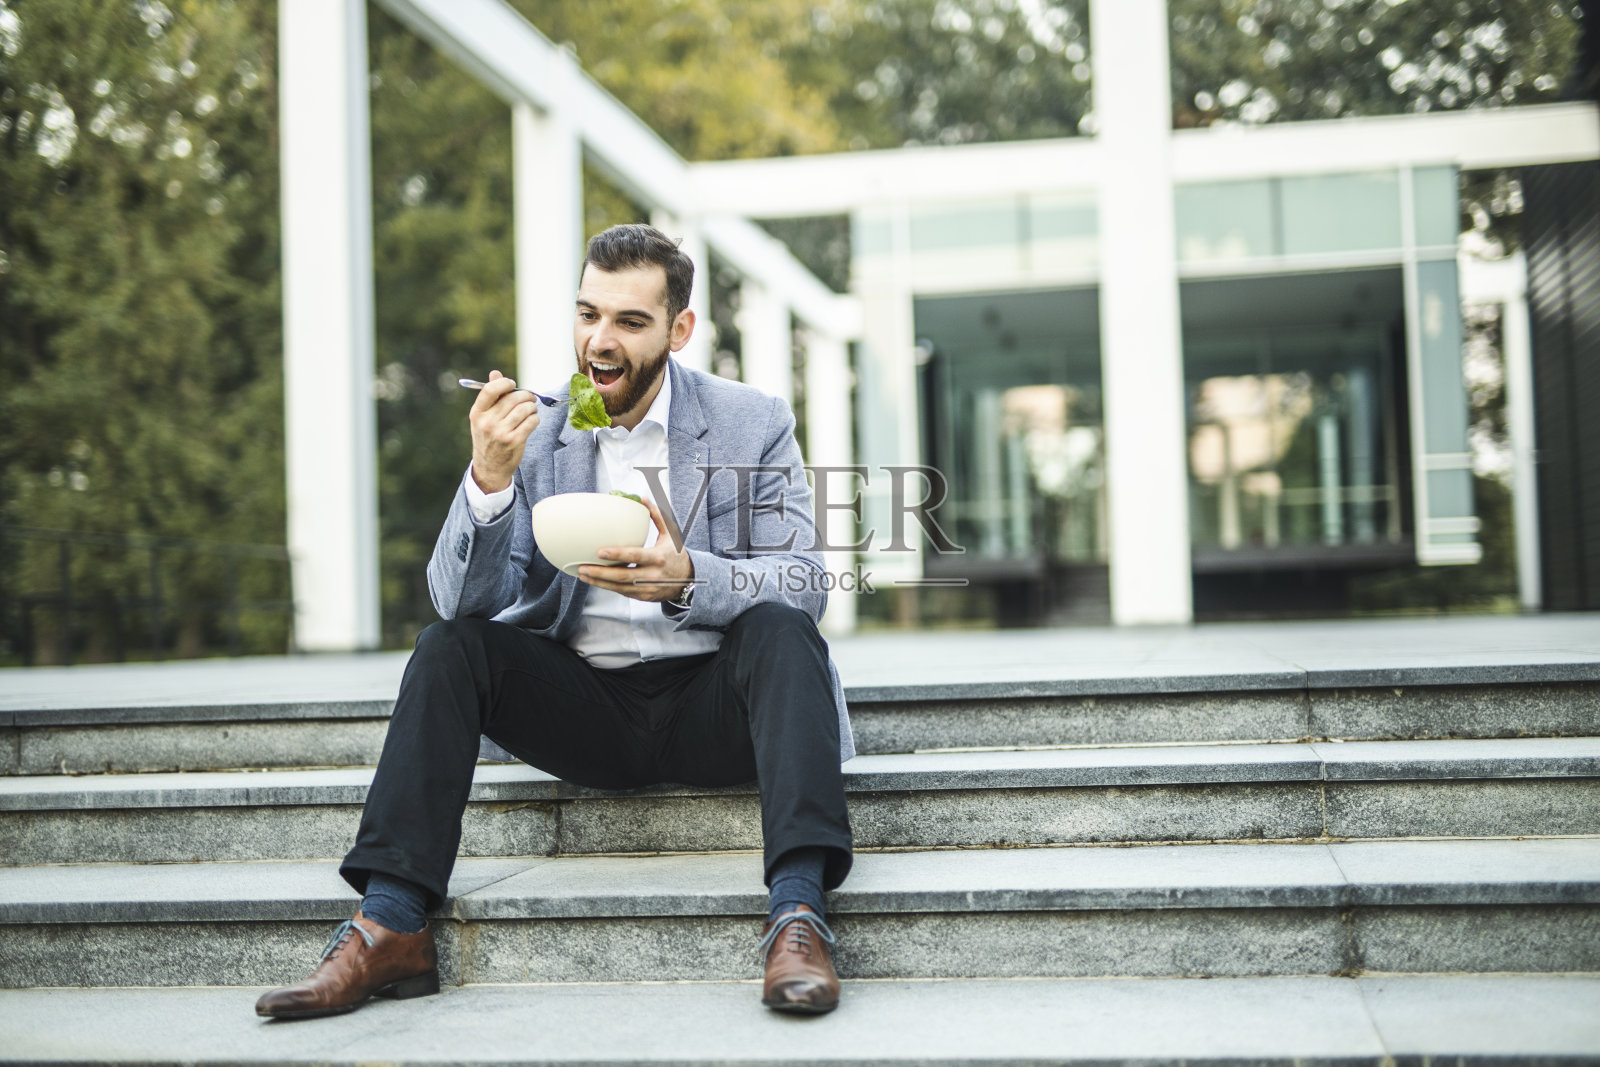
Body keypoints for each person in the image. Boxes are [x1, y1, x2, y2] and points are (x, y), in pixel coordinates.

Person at [254, 224, 854, 1020]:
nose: (600, 341)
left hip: (718, 704)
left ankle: (799, 913)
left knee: (782, 631)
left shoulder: (753, 421)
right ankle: (391, 922)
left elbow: (805, 581)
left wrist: (687, 577)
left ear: (679, 330)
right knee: (448, 648)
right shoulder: (535, 431)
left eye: (629, 322)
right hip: (587, 707)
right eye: (587, 314)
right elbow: (458, 600)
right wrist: (488, 484)